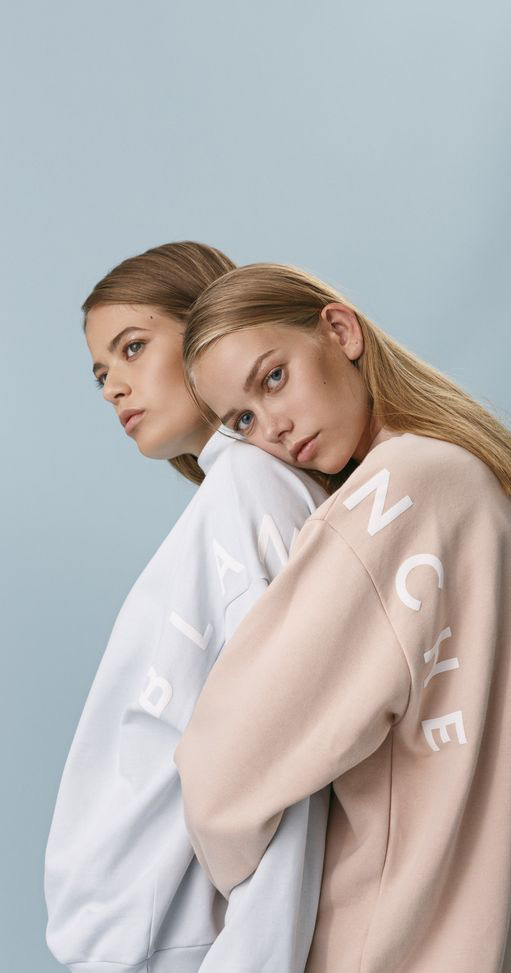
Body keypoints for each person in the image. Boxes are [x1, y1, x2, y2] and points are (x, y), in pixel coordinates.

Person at [173, 263, 511, 972]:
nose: (274, 428)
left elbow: (220, 776)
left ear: (340, 330)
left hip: (390, 945)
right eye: (243, 421)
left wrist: (243, 896)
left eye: (273, 378)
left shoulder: (387, 502)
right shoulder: (498, 492)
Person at [44, 245, 338, 973]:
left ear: (208, 328)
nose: (113, 387)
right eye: (100, 373)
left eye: (132, 348)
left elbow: (288, 764)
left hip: (176, 944)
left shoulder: (252, 491)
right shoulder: (227, 498)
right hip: (136, 941)